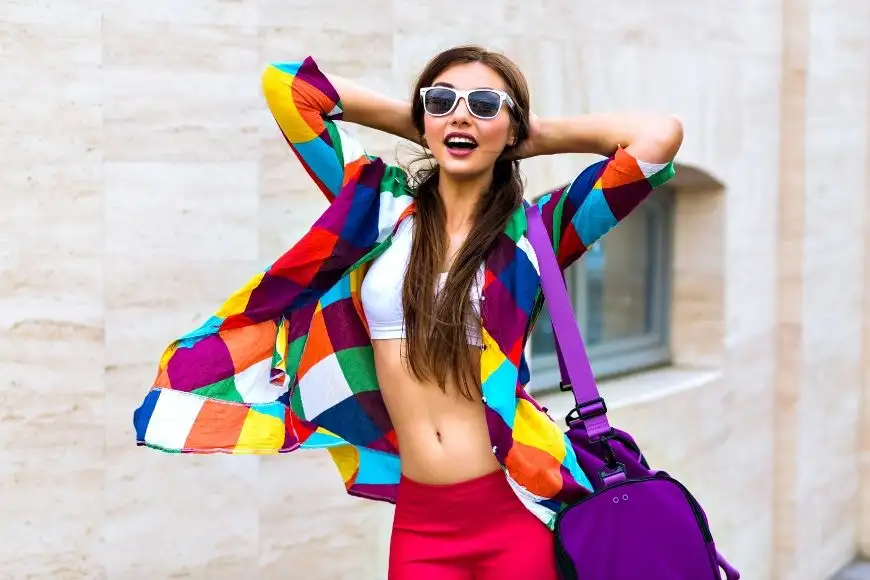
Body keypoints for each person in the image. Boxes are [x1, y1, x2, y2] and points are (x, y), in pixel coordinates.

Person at [133, 45, 682, 579]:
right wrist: (426, 124)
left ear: (512, 127)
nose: (460, 114)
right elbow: (289, 87)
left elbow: (657, 139)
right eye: (442, 99)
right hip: (423, 523)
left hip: (516, 506)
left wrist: (529, 140)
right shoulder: (378, 208)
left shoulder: (539, 229)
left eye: (485, 105)